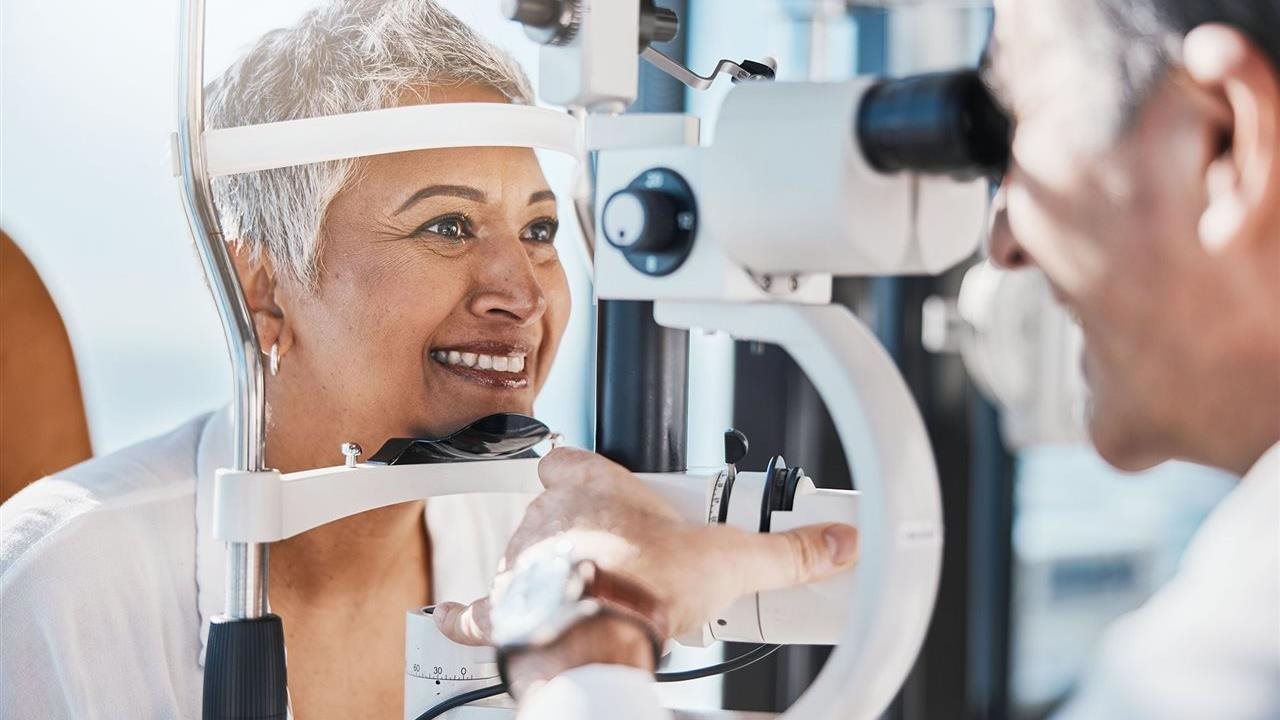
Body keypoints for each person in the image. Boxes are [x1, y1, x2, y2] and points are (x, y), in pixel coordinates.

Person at [0, 1, 855, 717]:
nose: (522, 291)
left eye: (540, 230)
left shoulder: (547, 547)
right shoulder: (63, 580)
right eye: (446, 226)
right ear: (258, 286)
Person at [435, 1, 1280, 718]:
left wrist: (578, 628)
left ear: (1221, 142)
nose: (1002, 238)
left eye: (1011, 131)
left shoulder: (1234, 652)